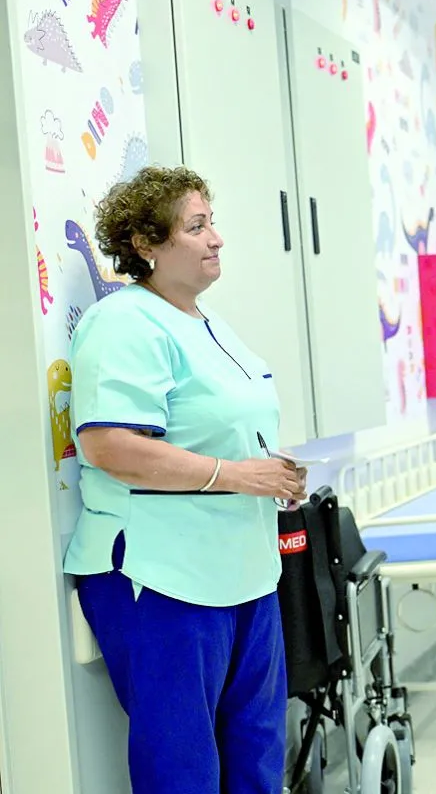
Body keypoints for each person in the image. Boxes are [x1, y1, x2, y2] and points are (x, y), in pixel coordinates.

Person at [64, 166, 307, 793]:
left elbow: (220, 432)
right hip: (163, 575)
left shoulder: (209, 323)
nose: (216, 238)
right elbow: (108, 444)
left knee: (256, 755)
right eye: (196, 226)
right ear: (146, 243)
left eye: (212, 223)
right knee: (182, 767)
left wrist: (272, 473)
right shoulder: (125, 323)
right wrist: (236, 475)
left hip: (245, 569)